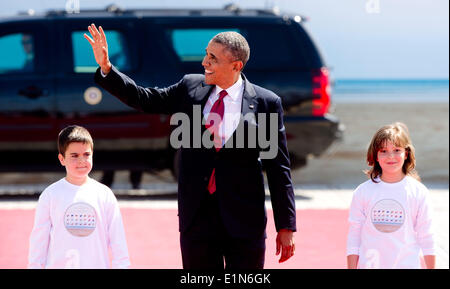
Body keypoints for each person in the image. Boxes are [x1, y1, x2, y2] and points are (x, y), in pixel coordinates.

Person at [85, 24, 296, 269]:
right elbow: (145, 98)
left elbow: (278, 168)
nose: (204, 62)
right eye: (206, 54)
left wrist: (286, 225)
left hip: (245, 221)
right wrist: (107, 69)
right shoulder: (190, 88)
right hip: (197, 220)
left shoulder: (266, 103)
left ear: (236, 66)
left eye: (213, 58)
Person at [28, 125, 130, 269]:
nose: (82, 160)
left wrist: (123, 266)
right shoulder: (50, 195)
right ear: (62, 159)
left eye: (86, 154)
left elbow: (118, 240)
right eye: (74, 156)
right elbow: (39, 240)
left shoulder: (104, 195)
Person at [346, 122, 436, 269]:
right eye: (383, 151)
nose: (391, 156)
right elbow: (354, 235)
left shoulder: (419, 192)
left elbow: (427, 234)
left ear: (406, 153)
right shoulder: (363, 192)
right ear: (375, 155)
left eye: (396, 150)